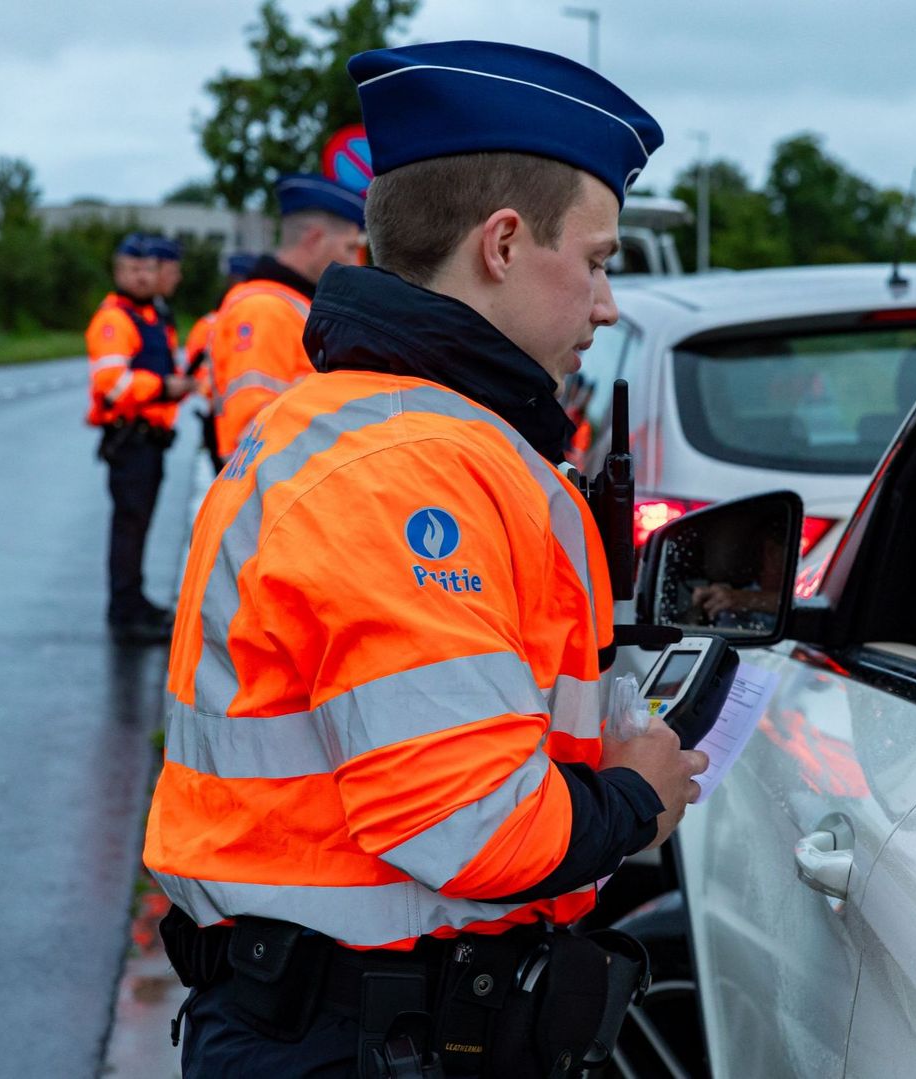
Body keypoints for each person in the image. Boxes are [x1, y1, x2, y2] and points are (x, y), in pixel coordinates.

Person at [143, 40, 706, 1077]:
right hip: (362, 1035)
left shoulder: (370, 424)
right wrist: (637, 795)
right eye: (597, 259)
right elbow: (471, 824)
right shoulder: (417, 470)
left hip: (347, 1017)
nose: (607, 302)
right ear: (501, 244)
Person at [85, 233, 194, 643]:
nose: (143, 276)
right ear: (118, 272)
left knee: (138, 525)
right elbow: (111, 385)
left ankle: (134, 601)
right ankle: (126, 610)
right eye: (134, 269)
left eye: (149, 269)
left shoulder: (151, 316)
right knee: (130, 526)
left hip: (150, 438)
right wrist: (164, 388)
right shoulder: (115, 320)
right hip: (130, 438)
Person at [209, 175, 367, 454]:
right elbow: (251, 430)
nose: (356, 262)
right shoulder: (265, 309)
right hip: (279, 488)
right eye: (351, 248)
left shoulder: (291, 305)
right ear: (314, 239)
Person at [186, 253, 261, 472]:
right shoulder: (210, 324)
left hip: (235, 416)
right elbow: (194, 370)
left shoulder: (212, 323)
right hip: (220, 414)